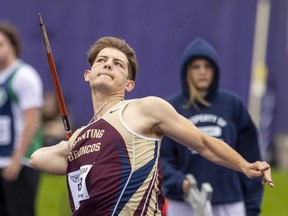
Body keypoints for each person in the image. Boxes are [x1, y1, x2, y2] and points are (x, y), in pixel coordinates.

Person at [29, 36, 273, 216]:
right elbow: (37, 159)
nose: (108, 65)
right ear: (88, 74)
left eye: (118, 64)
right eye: (102, 60)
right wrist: (72, 144)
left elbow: (203, 142)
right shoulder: (80, 138)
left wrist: (244, 165)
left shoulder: (143, 109)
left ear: (129, 84)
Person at [160, 38, 264, 216]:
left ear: (215, 70)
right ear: (186, 70)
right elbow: (162, 158)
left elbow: (250, 155)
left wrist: (252, 207)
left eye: (207, 66)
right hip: (184, 203)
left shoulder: (232, 105)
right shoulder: (172, 108)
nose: (202, 72)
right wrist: (179, 182)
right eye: (196, 66)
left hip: (229, 203)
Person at [0, 22, 44, 216]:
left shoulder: (24, 75)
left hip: (20, 162)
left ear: (12, 46)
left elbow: (33, 120)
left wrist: (16, 160)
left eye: (0, 44)